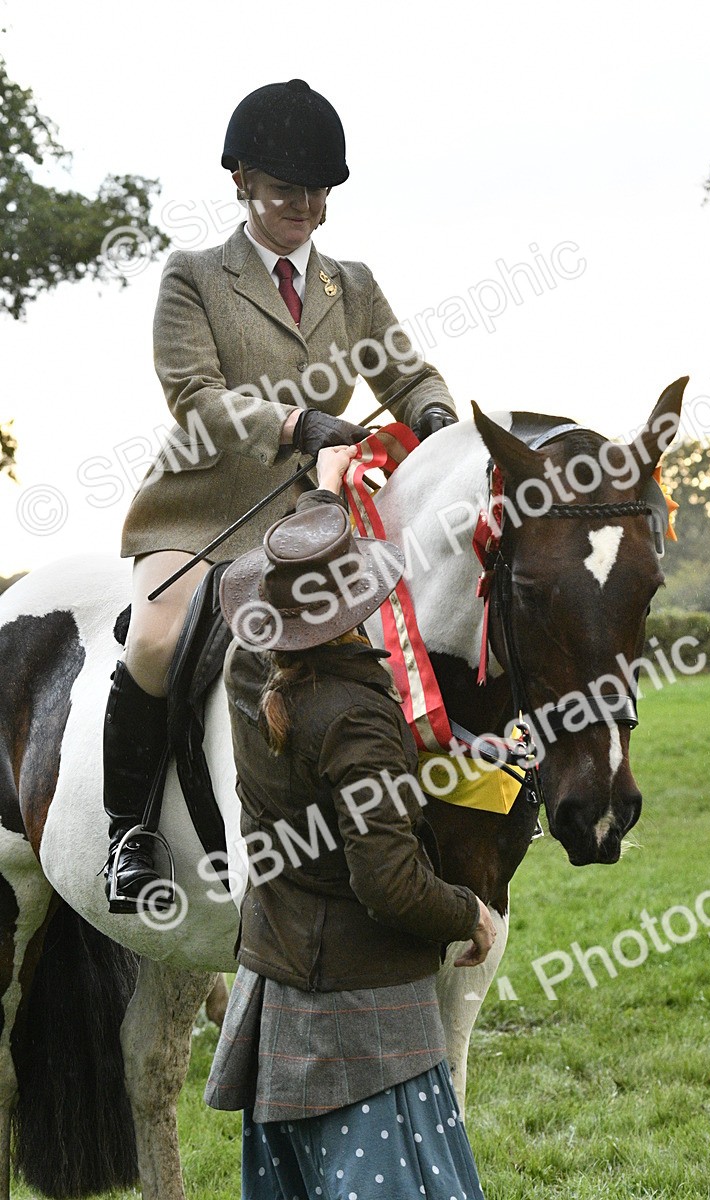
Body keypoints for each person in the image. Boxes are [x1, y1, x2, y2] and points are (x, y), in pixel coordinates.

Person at [103, 79, 457, 909]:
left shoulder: (353, 285)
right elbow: (194, 396)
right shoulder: (193, 275)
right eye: (284, 188)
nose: (303, 205)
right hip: (205, 513)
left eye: (317, 191)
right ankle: (131, 833)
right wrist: (298, 423)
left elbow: (407, 374)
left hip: (318, 523)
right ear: (240, 182)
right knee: (157, 642)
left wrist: (436, 417)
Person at [206, 444, 494, 1200]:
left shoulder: (247, 669)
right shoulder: (357, 717)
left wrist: (324, 496)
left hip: (277, 991)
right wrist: (469, 912)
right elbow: (389, 883)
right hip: (364, 1023)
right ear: (357, 602)